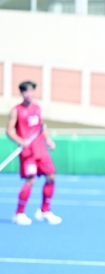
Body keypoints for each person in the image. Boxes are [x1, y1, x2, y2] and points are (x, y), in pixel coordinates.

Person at [7, 81, 60, 226]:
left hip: (41, 150)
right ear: (21, 93)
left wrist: (48, 140)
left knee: (51, 177)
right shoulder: (16, 110)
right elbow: (9, 131)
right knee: (30, 180)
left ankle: (44, 211)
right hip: (28, 153)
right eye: (26, 92)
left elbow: (41, 127)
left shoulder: (37, 108)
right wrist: (21, 141)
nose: (29, 94)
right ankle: (19, 213)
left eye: (31, 91)